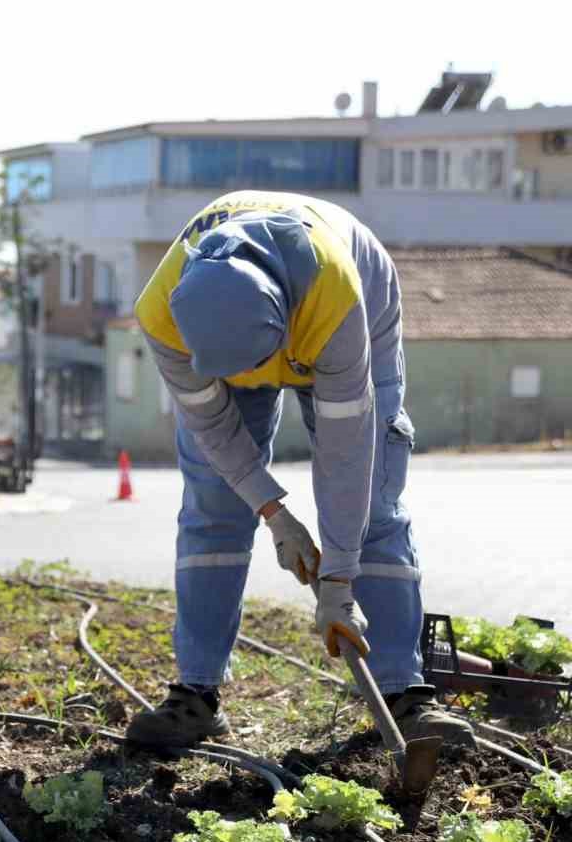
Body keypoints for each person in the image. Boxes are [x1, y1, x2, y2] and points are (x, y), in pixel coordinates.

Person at [124, 190, 471, 748]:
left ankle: (403, 695)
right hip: (249, 330)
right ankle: (196, 694)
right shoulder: (162, 311)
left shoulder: (334, 297)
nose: (256, 379)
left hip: (351, 306)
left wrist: (338, 580)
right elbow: (213, 429)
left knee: (375, 502)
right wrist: (275, 514)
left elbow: (346, 453)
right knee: (214, 501)